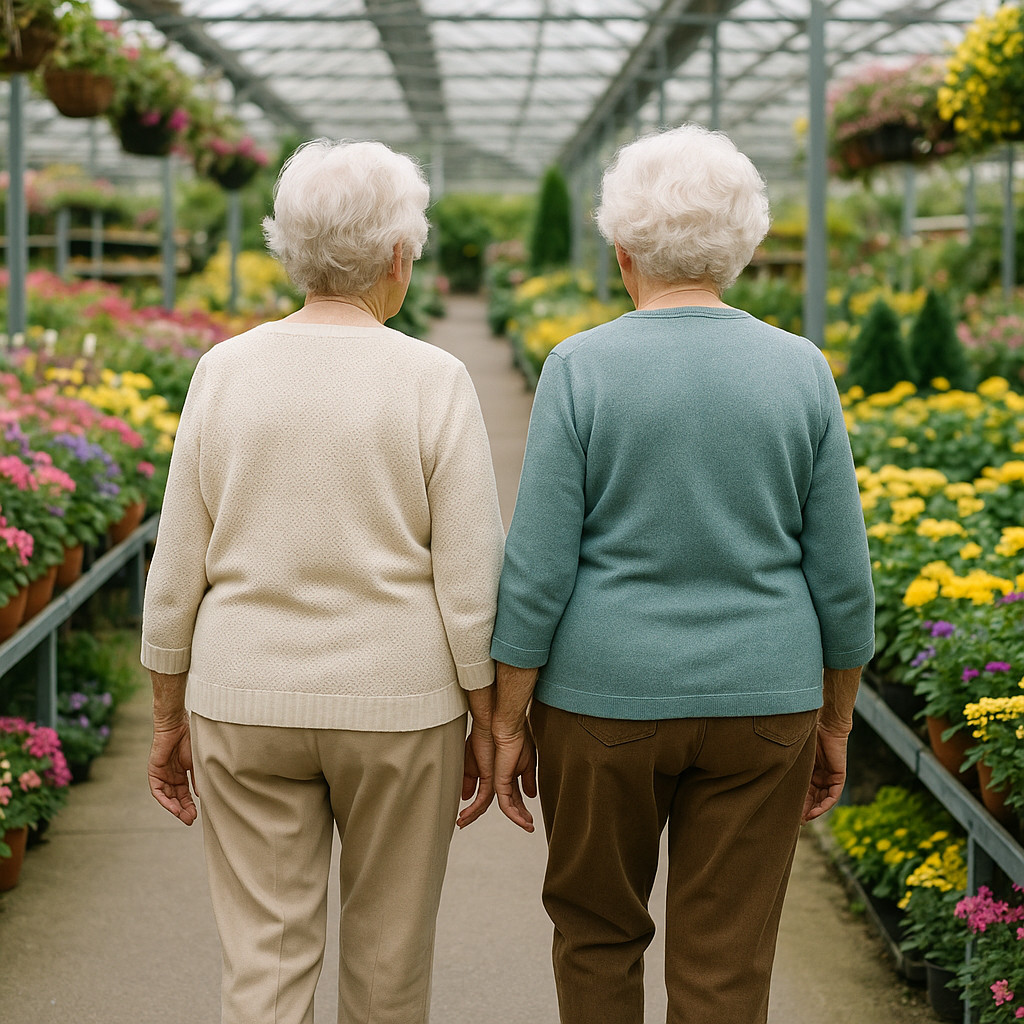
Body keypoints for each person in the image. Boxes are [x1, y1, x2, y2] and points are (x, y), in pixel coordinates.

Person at [489, 124, 875, 1024]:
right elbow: (844, 579)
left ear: (623, 252)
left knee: (595, 932)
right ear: (745, 248)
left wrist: (509, 720)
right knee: (727, 961)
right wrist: (835, 719)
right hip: (765, 702)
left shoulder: (581, 367)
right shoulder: (800, 370)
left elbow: (538, 570)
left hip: (601, 703)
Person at [142, 139, 505, 1024]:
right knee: (388, 964)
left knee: (263, 964)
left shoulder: (223, 371)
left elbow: (174, 567)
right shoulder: (434, 379)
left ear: (291, 251)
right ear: (395, 258)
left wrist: (165, 716)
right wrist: (492, 722)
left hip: (243, 697)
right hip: (400, 705)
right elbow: (470, 582)